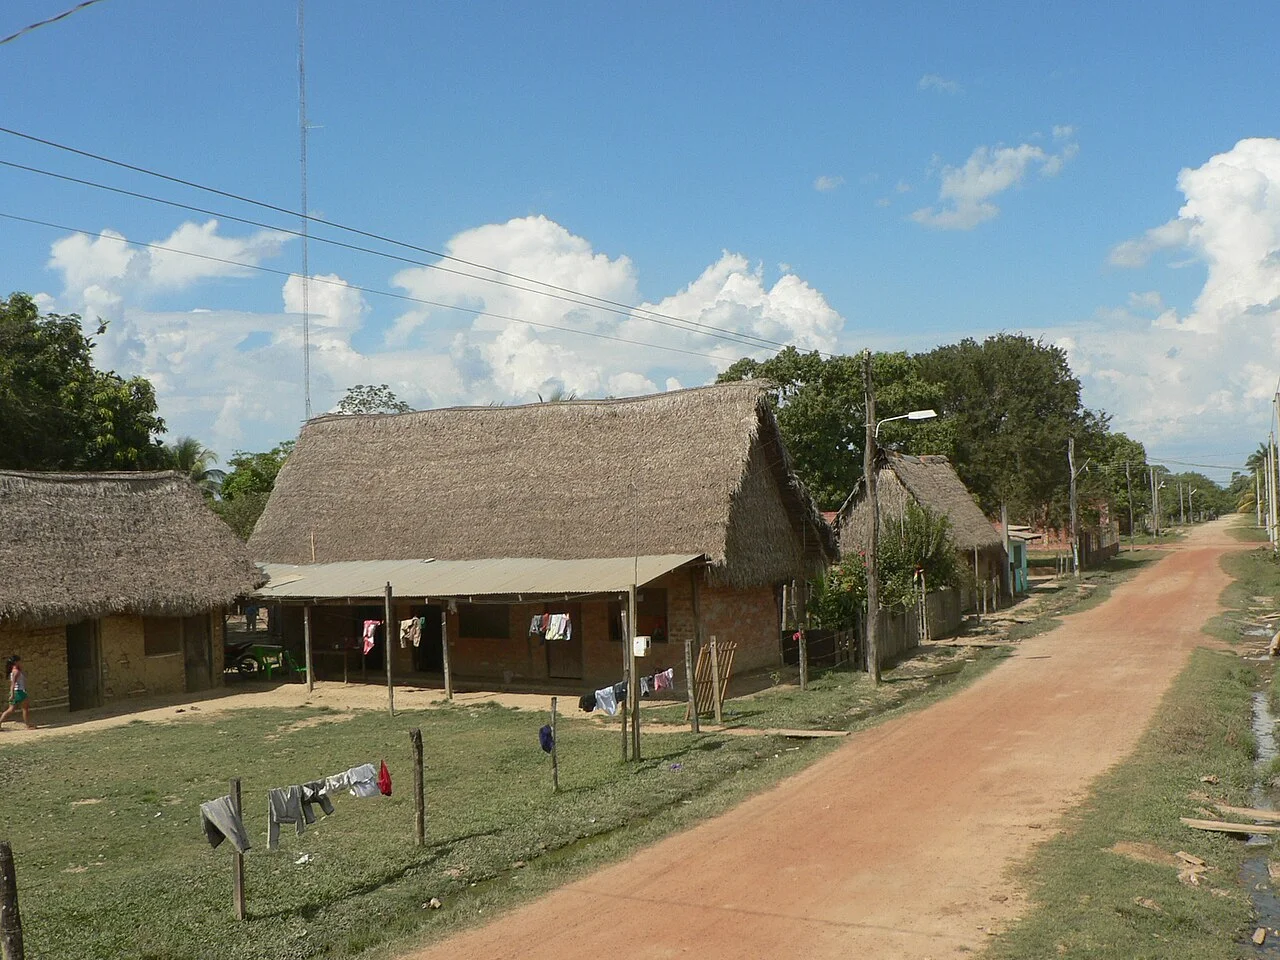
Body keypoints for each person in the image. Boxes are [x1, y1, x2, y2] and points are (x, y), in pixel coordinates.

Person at [0, 655, 36, 730]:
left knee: (10, 710)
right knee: (25, 708)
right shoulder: (16, 671)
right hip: (19, 692)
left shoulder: (13, 671)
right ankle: (27, 725)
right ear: (16, 662)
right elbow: (13, 684)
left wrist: (12, 694)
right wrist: (12, 694)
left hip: (16, 692)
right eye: (19, 661)